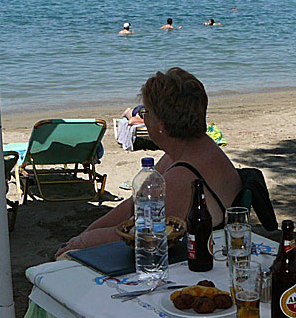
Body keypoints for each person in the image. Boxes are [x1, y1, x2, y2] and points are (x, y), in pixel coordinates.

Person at [56, 67, 242, 257]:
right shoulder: (190, 149)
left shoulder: (182, 176)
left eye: (146, 113)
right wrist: (83, 235)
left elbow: (139, 234)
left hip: (186, 262)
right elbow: (133, 204)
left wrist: (81, 243)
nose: (144, 118)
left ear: (160, 125)